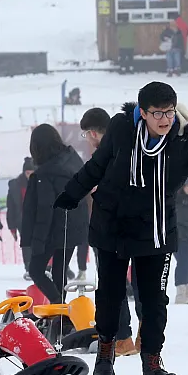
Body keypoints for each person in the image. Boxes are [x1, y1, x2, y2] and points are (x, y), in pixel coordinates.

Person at [54, 81, 188, 375]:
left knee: (154, 302)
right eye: (157, 113)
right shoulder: (122, 129)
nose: (165, 119)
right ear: (143, 112)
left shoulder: (185, 143)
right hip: (111, 224)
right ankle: (106, 351)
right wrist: (71, 193)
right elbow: (97, 165)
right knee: (110, 297)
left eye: (169, 112)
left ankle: (152, 364)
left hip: (155, 230)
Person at [80, 107, 137, 352]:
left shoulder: (104, 156)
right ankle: (144, 336)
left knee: (112, 286)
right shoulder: (132, 147)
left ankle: (123, 338)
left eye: (86, 135)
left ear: (93, 133)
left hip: (111, 228)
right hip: (137, 225)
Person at [20, 125, 89, 304]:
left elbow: (44, 210)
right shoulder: (73, 160)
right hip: (74, 227)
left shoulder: (45, 174)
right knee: (60, 271)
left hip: (54, 229)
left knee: (35, 270)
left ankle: (58, 306)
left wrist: (36, 243)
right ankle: (59, 317)